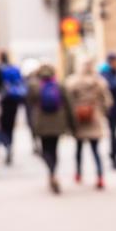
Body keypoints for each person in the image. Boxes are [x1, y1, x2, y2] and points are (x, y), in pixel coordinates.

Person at [66, 57, 112, 190]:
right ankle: (100, 176)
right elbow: (107, 101)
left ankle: (79, 173)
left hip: (79, 118)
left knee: (79, 149)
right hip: (94, 117)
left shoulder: (73, 81)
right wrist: (101, 112)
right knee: (95, 150)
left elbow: (68, 100)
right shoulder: (99, 82)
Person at [27, 64, 74, 194]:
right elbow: (69, 105)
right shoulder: (59, 86)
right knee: (54, 149)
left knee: (45, 149)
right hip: (58, 123)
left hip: (41, 123)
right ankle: (53, 173)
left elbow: (29, 105)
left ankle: (51, 172)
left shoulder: (34, 86)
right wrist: (72, 126)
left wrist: (31, 125)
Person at [0, 52, 26, 165]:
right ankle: (10, 146)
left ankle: (6, 145)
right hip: (14, 102)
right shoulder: (15, 69)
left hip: (2, 103)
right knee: (11, 126)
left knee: (2, 127)